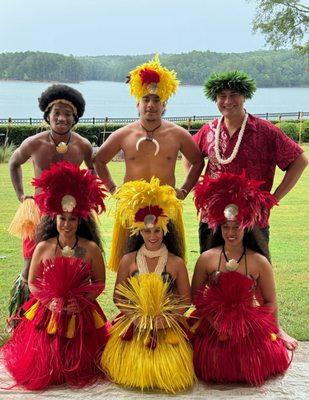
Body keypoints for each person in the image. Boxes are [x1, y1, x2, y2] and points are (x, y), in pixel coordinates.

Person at [3, 161, 110, 390]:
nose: (67, 224)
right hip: (47, 310)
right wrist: (48, 301)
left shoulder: (90, 249)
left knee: (86, 367)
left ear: (80, 220)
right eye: (63, 218)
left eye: (72, 219)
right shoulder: (43, 247)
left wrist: (83, 302)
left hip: (81, 313)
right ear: (54, 219)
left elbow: (99, 283)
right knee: (42, 368)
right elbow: (32, 282)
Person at [93, 56, 203, 270]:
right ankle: (131, 301)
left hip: (166, 207)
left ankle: (165, 301)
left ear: (164, 105)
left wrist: (184, 190)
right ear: (138, 103)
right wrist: (114, 188)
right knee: (130, 263)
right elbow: (99, 160)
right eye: (146, 99)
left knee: (169, 264)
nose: (151, 105)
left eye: (156, 100)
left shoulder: (177, 134)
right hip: (132, 208)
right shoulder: (124, 134)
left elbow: (198, 162)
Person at [184, 70, 308, 253]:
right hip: (213, 218)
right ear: (215, 99)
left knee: (256, 274)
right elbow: (190, 157)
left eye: (234, 95)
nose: (227, 101)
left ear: (244, 97)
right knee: (212, 270)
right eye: (222, 96)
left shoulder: (265, 131)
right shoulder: (208, 130)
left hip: (253, 219)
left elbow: (300, 160)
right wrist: (198, 187)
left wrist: (272, 199)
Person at [190, 172, 291, 386]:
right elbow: (195, 298)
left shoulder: (259, 262)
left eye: (236, 226)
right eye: (226, 227)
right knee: (211, 364)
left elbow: (270, 302)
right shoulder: (206, 259)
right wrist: (214, 321)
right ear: (219, 227)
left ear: (247, 226)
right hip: (213, 325)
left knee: (251, 365)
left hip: (248, 327)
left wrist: (264, 327)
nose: (231, 232)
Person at [8, 84, 94, 325]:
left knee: (70, 260)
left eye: (68, 114)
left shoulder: (82, 146)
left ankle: (70, 316)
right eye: (57, 112)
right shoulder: (34, 144)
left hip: (71, 214)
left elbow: (95, 169)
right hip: (40, 212)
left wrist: (87, 194)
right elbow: (14, 163)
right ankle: (22, 317)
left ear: (75, 118)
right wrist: (22, 195)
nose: (62, 118)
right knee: (31, 264)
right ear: (47, 116)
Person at [100, 178, 195, 393]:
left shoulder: (176, 263)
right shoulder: (128, 260)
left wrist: (168, 318)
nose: (152, 236)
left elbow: (186, 300)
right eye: (146, 231)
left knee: (171, 373)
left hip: (167, 325)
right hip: (135, 323)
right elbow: (117, 297)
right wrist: (135, 316)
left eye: (157, 231)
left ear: (165, 230)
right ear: (138, 232)